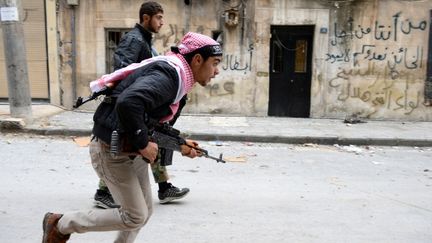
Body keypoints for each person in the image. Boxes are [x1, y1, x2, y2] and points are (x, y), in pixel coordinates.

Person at [42, 32, 223, 243]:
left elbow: (151, 122)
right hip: (112, 150)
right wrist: (144, 143)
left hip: (130, 151)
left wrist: (181, 144)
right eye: (215, 63)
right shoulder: (169, 77)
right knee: (135, 215)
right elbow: (129, 103)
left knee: (143, 212)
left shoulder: (179, 77)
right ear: (198, 59)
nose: (217, 71)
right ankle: (60, 224)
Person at [94, 1, 190, 209]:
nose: (162, 22)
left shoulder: (144, 41)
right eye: (158, 18)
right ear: (146, 18)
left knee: (148, 144)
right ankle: (103, 191)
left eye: (162, 18)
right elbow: (124, 71)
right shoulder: (134, 41)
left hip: (141, 107)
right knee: (127, 149)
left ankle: (164, 187)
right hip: (128, 107)